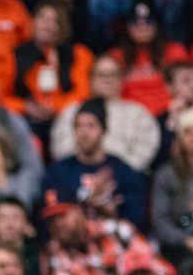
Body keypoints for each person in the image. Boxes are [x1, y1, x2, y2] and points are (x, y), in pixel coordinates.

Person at [43, 99, 148, 231]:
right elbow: (50, 217)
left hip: (114, 243)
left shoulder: (123, 171)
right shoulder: (58, 172)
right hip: (72, 243)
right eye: (79, 126)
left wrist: (112, 214)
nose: (84, 132)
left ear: (104, 130)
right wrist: (87, 201)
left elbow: (137, 219)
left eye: (91, 126)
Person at [50, 55, 161, 175]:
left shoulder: (139, 113)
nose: (107, 80)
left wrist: (120, 172)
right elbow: (62, 147)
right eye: (101, 75)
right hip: (78, 176)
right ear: (90, 79)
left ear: (122, 79)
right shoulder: (72, 112)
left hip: (125, 177)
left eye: (113, 75)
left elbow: (146, 148)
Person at [9, 1, 94, 145]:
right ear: (32, 22)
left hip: (66, 117)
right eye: (43, 18)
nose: (48, 24)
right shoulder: (14, 56)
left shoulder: (79, 54)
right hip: (27, 117)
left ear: (63, 26)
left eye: (55, 20)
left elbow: (83, 92)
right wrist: (25, 107)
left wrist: (56, 107)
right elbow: (1, 96)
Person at [107, 0, 191, 118]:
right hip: (128, 118)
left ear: (157, 26)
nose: (142, 27)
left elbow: (188, 89)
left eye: (148, 21)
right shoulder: (115, 56)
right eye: (135, 22)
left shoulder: (175, 52)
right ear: (127, 27)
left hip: (170, 115)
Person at [152, 107, 193, 267]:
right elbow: (159, 221)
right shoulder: (166, 175)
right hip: (178, 245)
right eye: (188, 132)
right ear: (179, 139)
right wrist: (187, 241)